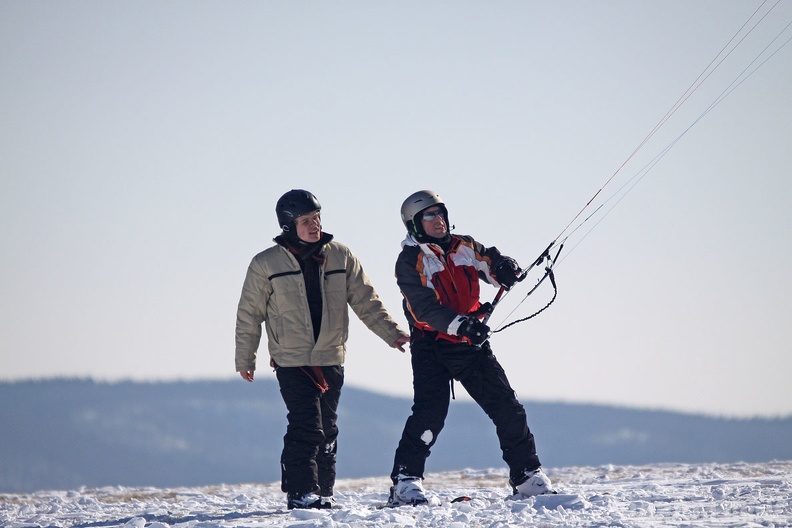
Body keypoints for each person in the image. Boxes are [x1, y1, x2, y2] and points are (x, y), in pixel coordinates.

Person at [235, 189, 410, 510]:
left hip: (331, 355)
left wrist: (392, 334)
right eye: (306, 221)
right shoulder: (265, 263)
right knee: (306, 425)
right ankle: (301, 492)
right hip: (292, 360)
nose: (314, 226)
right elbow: (249, 314)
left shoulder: (341, 256)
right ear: (288, 225)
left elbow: (365, 300)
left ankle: (322, 491)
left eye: (317, 218)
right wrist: (246, 358)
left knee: (328, 429)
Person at [387, 189, 556, 507]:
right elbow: (424, 308)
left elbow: (489, 261)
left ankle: (526, 477)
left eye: (441, 213)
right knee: (429, 415)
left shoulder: (462, 246)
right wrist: (462, 325)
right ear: (414, 224)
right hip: (431, 345)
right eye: (429, 216)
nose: (438, 220)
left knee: (507, 407)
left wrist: (504, 267)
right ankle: (405, 482)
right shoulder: (410, 260)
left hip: (469, 345)